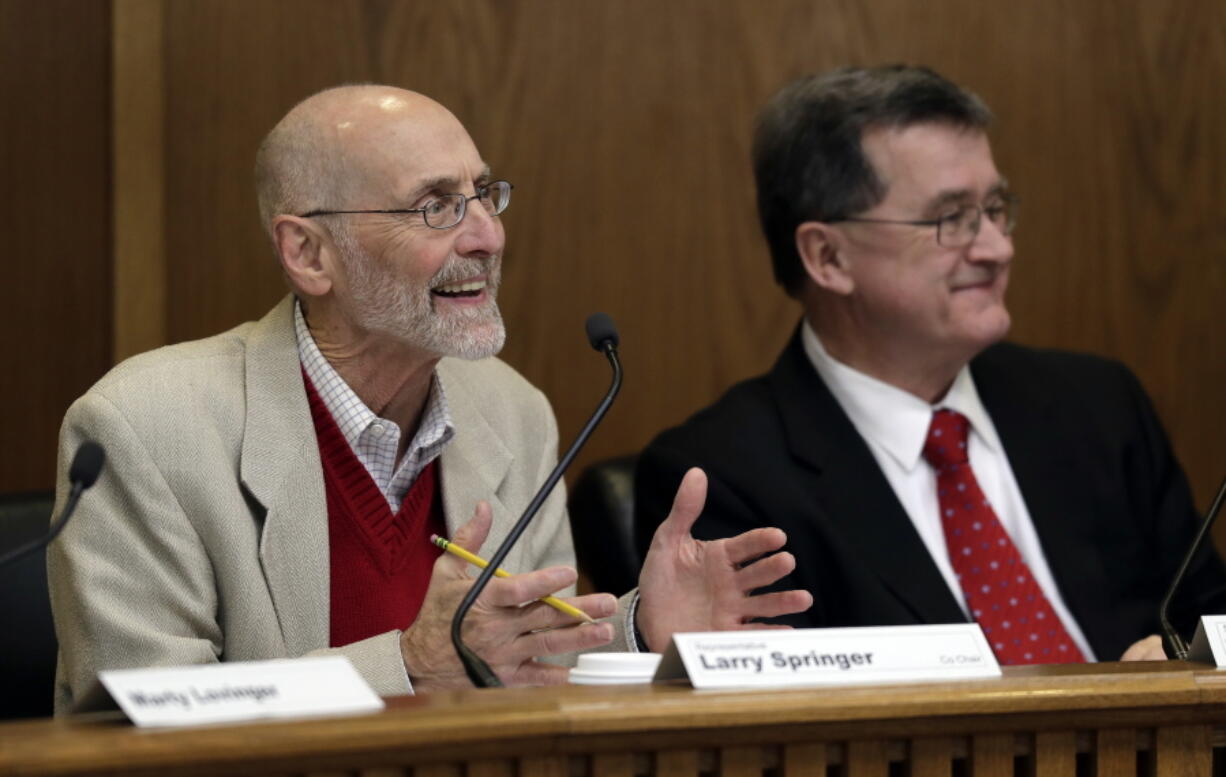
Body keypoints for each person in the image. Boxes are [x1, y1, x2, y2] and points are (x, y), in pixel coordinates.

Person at [48, 85, 812, 713]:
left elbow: (520, 666)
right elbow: (134, 719)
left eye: (484, 194)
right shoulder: (144, 426)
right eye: (436, 205)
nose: (487, 236)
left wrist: (642, 631)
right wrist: (408, 664)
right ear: (308, 253)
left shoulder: (511, 411)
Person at [634, 65, 1226, 665]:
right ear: (827, 256)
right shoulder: (723, 478)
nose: (998, 248)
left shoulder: (1098, 406)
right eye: (952, 219)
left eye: (995, 208)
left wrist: (1180, 671)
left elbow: (1211, 621)